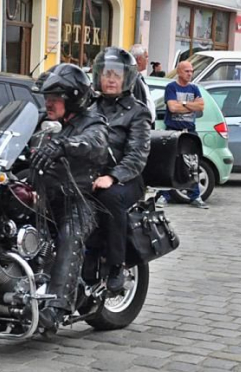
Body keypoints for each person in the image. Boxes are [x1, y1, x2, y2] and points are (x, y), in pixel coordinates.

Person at [29, 63, 108, 331]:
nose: (48, 103)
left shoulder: (93, 122)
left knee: (69, 234)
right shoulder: (45, 121)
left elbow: (95, 144)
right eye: (47, 98)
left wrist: (63, 145)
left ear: (73, 99)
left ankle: (56, 307)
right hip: (45, 196)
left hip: (78, 198)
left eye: (54, 98)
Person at [87, 47, 152, 291]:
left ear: (126, 78)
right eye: (106, 73)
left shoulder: (137, 112)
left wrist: (113, 177)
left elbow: (137, 155)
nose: (111, 79)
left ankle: (116, 265)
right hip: (88, 175)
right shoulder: (89, 107)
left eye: (116, 74)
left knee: (109, 199)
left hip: (126, 179)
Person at [155, 60, 207, 209]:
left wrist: (182, 104)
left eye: (191, 71)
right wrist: (190, 106)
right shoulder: (171, 87)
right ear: (179, 72)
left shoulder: (194, 89)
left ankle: (195, 196)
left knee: (192, 164)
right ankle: (164, 196)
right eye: (187, 71)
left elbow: (201, 106)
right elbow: (172, 108)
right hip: (173, 130)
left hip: (189, 131)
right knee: (169, 163)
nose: (190, 74)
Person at [128, 43, 156, 124]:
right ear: (139, 59)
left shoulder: (138, 77)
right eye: (146, 57)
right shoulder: (132, 78)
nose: (148, 60)